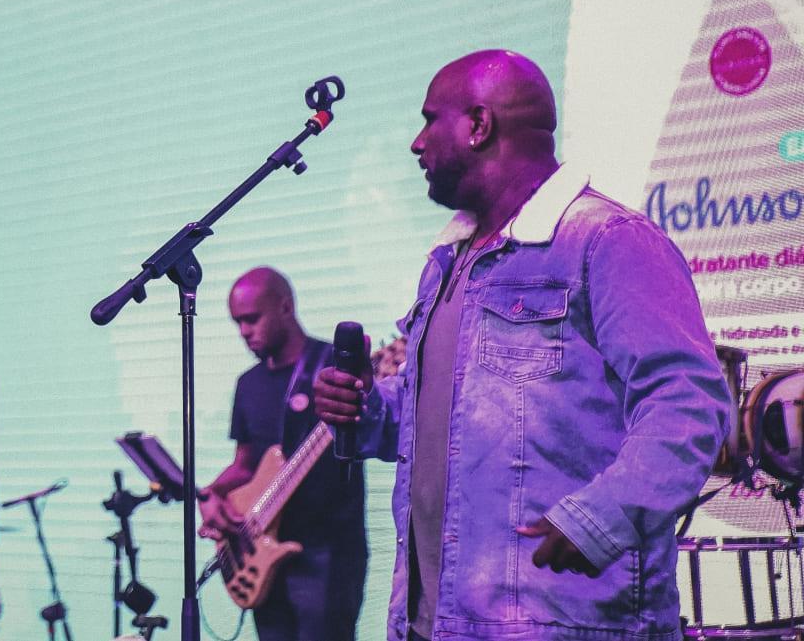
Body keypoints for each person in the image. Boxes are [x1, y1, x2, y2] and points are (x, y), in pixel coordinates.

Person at [312, 50, 731, 640]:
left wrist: (602, 516)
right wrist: (366, 408)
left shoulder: (607, 241)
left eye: (430, 120)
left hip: (562, 625)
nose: (416, 143)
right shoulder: (446, 262)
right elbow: (443, 418)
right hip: (434, 624)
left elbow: (689, 405)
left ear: (479, 125)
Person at [197, 267, 364, 641]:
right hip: (261, 550)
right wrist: (211, 496)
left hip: (326, 553)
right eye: (238, 323)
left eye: (252, 319)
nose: (244, 331)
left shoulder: (333, 367)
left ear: (285, 307)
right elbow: (245, 465)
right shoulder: (248, 384)